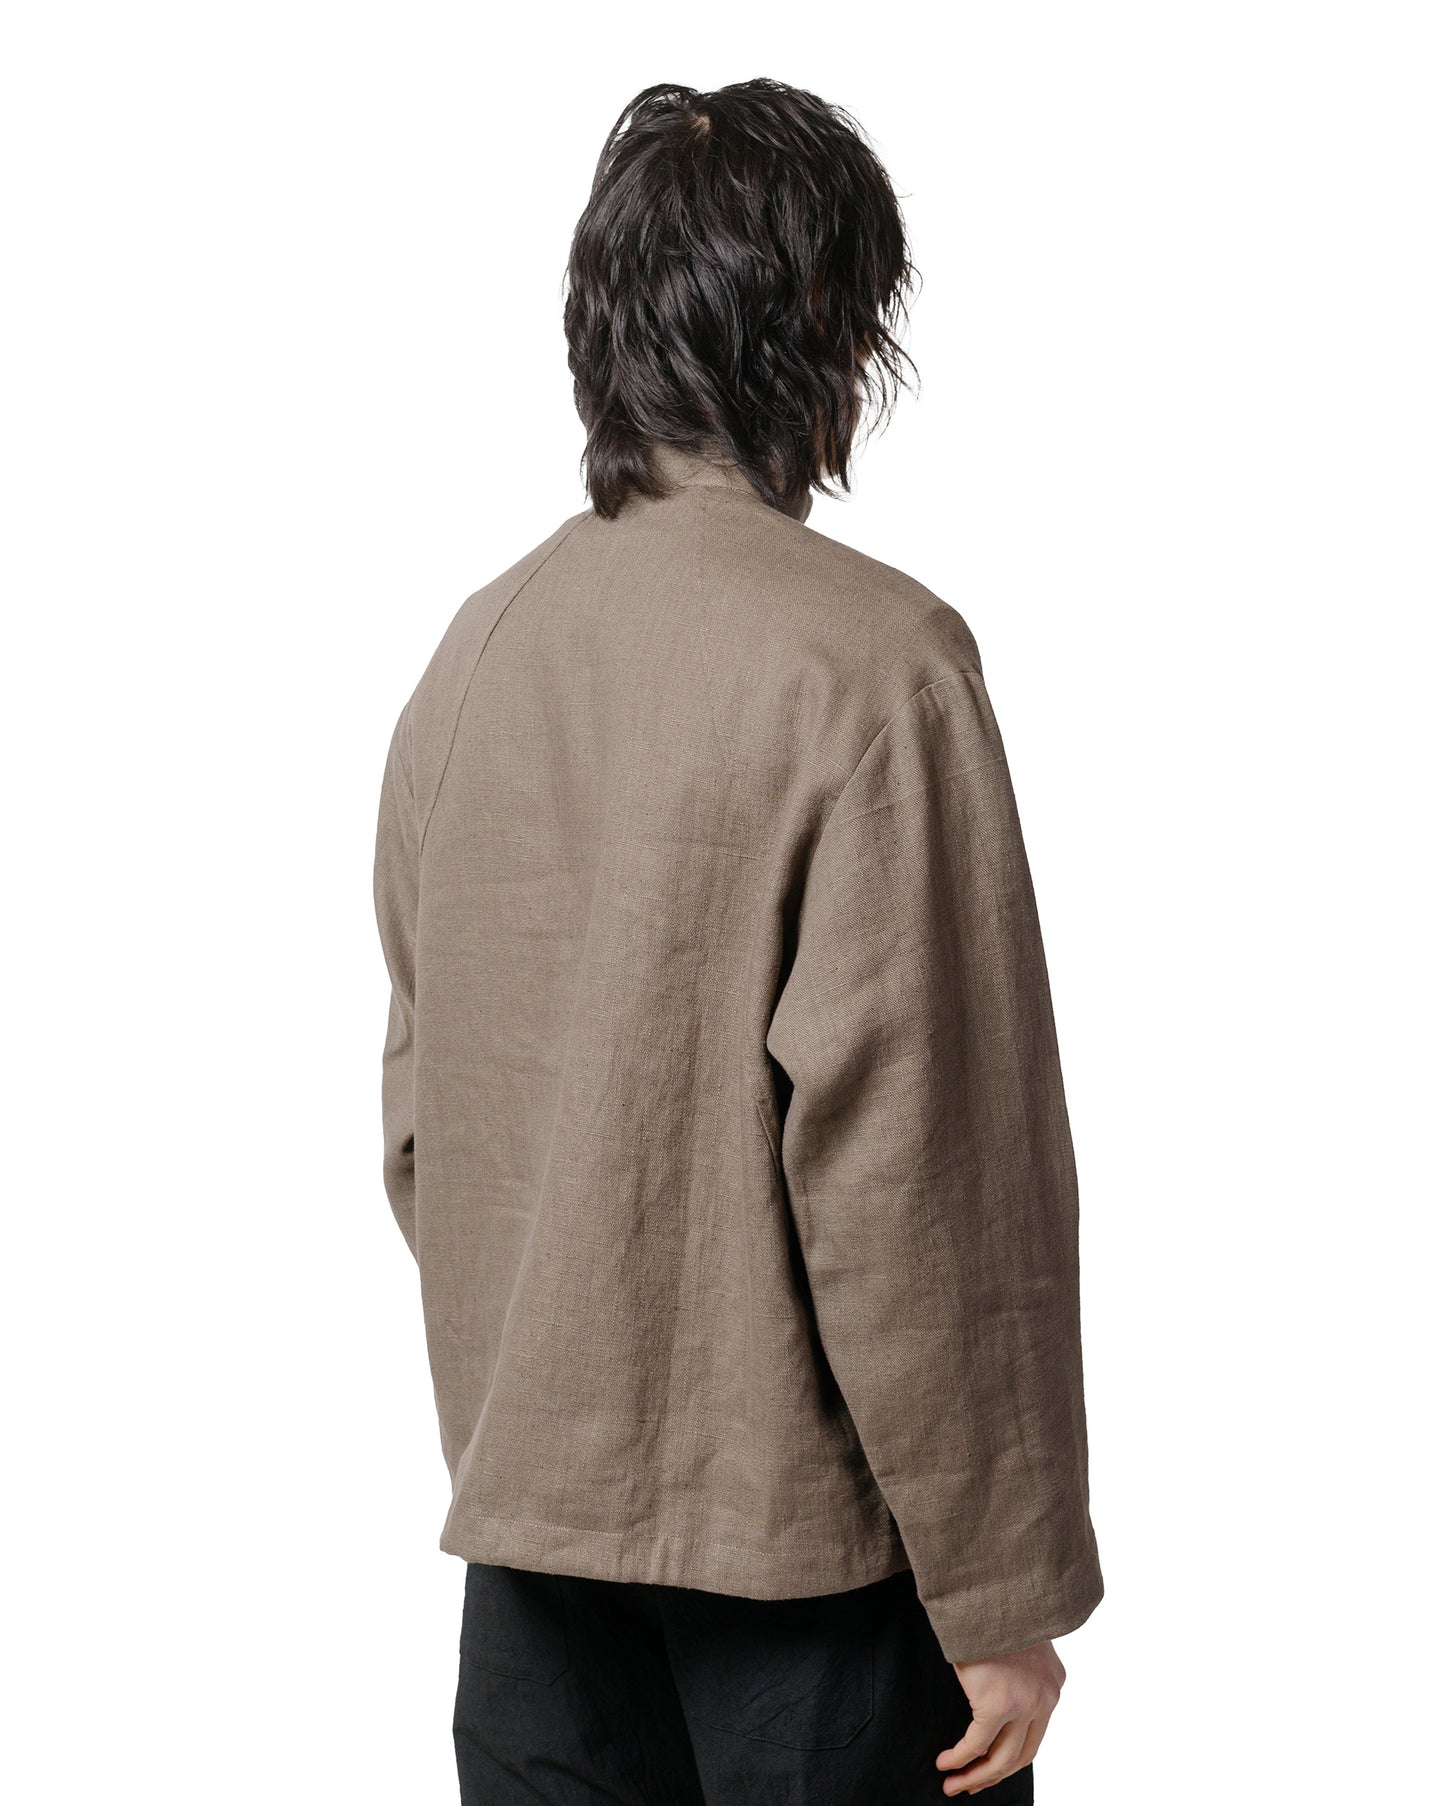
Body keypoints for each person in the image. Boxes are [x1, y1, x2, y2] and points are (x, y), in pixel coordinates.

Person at [373, 78, 1103, 1804]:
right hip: (815, 1587)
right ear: (826, 334)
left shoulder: (475, 652)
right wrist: (998, 1585)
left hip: (533, 1585)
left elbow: (422, 1127)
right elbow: (923, 1179)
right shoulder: (874, 667)